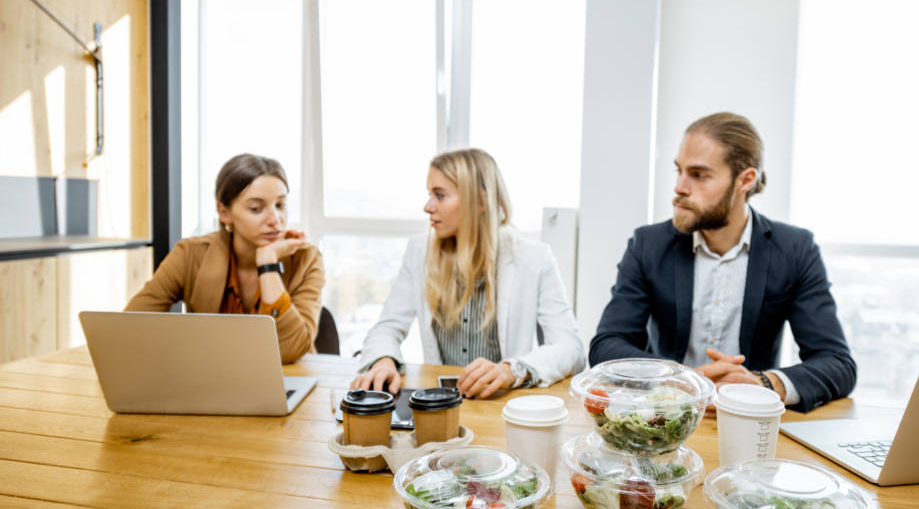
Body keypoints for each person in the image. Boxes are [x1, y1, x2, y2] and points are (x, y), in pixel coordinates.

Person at [590, 113, 855, 414]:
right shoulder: (648, 244)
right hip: (660, 417)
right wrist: (684, 382)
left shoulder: (795, 249)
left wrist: (763, 384)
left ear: (745, 180)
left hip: (749, 421)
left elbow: (838, 364)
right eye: (679, 171)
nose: (679, 187)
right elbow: (607, 346)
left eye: (699, 175)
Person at [350, 148, 585, 399]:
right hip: (443, 405)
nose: (427, 206)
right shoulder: (418, 251)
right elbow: (386, 327)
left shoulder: (535, 258)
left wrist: (509, 370)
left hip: (499, 405)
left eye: (440, 195)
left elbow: (571, 350)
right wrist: (383, 361)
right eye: (429, 194)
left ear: (481, 202)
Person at [125, 154, 324, 364]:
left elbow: (290, 350)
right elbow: (130, 326)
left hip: (288, 381)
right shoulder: (191, 254)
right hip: (212, 379)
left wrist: (268, 263)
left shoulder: (307, 259)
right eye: (256, 208)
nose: (275, 220)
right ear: (224, 213)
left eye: (280, 205)